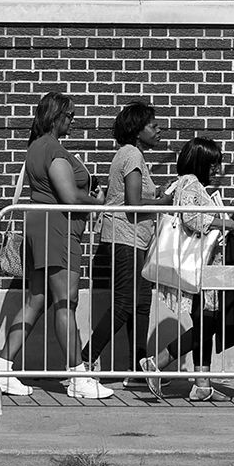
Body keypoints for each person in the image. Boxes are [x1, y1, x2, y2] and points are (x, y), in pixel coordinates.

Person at [0, 90, 108, 400]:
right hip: (58, 229)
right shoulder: (52, 149)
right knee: (67, 302)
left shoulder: (36, 148)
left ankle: (2, 368)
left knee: (36, 301)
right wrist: (98, 201)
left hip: (44, 227)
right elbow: (69, 196)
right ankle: (78, 376)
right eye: (69, 116)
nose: (73, 121)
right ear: (55, 117)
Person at [151, 134, 234, 402]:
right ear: (199, 162)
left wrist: (228, 213)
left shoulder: (196, 186)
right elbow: (193, 219)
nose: (216, 169)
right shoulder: (189, 183)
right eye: (212, 164)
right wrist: (228, 224)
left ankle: (202, 383)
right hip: (200, 265)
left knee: (212, 319)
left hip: (211, 265)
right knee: (207, 322)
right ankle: (157, 363)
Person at [85, 100, 161, 393]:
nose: (159, 130)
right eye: (152, 126)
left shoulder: (133, 155)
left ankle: (138, 369)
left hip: (136, 239)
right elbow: (133, 203)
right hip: (124, 237)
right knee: (125, 304)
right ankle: (84, 361)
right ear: (137, 130)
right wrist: (165, 202)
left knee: (141, 304)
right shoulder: (131, 154)